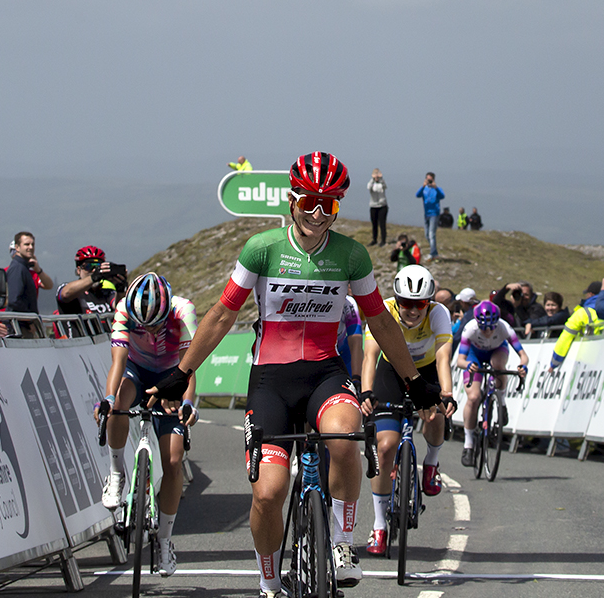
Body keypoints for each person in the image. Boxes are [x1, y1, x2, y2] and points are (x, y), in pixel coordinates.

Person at [146, 152, 440, 597]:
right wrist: (180, 372)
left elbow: (380, 321)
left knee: (343, 436)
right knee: (268, 493)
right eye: (309, 203)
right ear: (292, 201)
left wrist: (415, 383)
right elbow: (224, 315)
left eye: (330, 205)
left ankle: (342, 545)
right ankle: (268, 582)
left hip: (324, 372)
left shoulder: (350, 255)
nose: (319, 215)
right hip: (271, 381)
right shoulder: (262, 248)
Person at [95, 273, 198, 577]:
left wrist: (188, 402)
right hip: (137, 372)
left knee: (174, 461)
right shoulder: (125, 309)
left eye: (156, 324)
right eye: (145, 325)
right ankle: (116, 474)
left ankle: (165, 541)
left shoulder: (183, 310)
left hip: (172, 374)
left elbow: (189, 364)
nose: (151, 329)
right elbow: (118, 362)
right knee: (118, 404)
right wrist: (108, 398)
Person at [359, 265, 455, 555]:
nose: (413, 310)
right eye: (406, 304)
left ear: (429, 302)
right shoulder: (383, 310)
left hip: (425, 371)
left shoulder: (439, 314)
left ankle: (432, 463)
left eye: (420, 304)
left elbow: (442, 357)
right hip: (392, 371)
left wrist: (446, 394)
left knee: (435, 413)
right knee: (385, 446)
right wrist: (366, 392)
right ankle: (379, 525)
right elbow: (370, 356)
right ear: (397, 300)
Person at [456, 301, 528, 468]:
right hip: (474, 354)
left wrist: (522, 366)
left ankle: (501, 403)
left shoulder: (504, 327)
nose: (488, 331)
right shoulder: (470, 329)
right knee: (473, 397)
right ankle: (468, 445)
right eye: (484, 328)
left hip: (497, 350)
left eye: (491, 327)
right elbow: (460, 360)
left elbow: (523, 356)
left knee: (498, 367)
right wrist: (468, 365)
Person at [55, 246, 126, 334]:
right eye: (89, 266)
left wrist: (121, 289)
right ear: (78, 270)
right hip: (79, 344)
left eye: (98, 267)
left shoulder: (106, 292)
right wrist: (93, 277)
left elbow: (120, 308)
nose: (93, 270)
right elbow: (65, 294)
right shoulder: (69, 289)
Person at [547, 283, 604, 369]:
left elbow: (565, 338)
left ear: (591, 294)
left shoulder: (582, 313)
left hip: (581, 361)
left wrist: (554, 363)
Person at [6, 231, 53, 335]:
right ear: (17, 247)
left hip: (23, 325)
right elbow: (14, 300)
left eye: (32, 244)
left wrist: (38, 269)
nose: (31, 247)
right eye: (26, 244)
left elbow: (49, 285)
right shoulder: (17, 268)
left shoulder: (24, 268)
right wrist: (30, 320)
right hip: (20, 327)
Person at [415, 172, 445, 260]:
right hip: (426, 213)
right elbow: (417, 195)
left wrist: (436, 187)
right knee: (427, 235)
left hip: (434, 213)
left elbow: (442, 196)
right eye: (428, 179)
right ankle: (434, 252)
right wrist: (423, 186)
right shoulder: (424, 189)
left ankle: (432, 254)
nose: (429, 181)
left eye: (430, 180)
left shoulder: (437, 189)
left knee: (432, 233)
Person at [367, 168, 388, 246]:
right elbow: (369, 187)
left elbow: (384, 186)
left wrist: (381, 178)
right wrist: (373, 179)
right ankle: (374, 239)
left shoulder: (382, 183)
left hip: (382, 206)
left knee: (382, 224)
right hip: (373, 206)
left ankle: (383, 240)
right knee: (374, 224)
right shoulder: (371, 183)